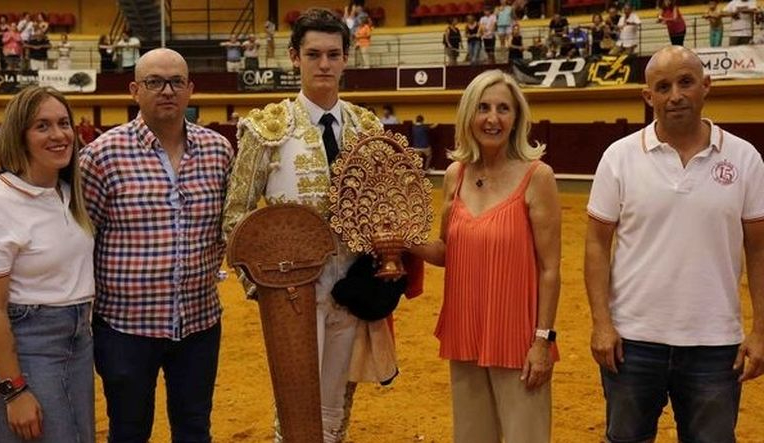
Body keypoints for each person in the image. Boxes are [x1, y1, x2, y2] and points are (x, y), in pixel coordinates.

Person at [585, 46, 764, 443]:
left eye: (685, 82)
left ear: (706, 86)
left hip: (715, 345)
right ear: (648, 97)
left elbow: (759, 249)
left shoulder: (746, 159)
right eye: (662, 87)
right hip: (631, 342)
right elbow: (597, 244)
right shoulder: (618, 157)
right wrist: (601, 323)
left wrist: (761, 331)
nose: (675, 95)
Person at [221, 8, 384, 442]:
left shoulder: (367, 128)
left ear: (347, 58)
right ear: (294, 57)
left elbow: (387, 210)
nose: (324, 64)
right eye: (314, 54)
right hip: (289, 288)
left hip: (351, 283)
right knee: (294, 408)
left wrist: (384, 266)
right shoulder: (267, 127)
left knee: (336, 404)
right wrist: (259, 286)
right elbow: (236, 213)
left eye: (333, 54)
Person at [79, 48, 234, 442]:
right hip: (125, 328)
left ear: (190, 89)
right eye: (154, 82)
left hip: (199, 322)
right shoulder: (101, 155)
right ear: (134, 90)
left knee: (195, 428)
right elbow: (82, 239)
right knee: (129, 430)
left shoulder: (219, 151)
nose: (167, 90)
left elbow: (231, 226)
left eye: (176, 82)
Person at [411, 69, 561, 443]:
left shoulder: (537, 176)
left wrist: (542, 341)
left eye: (503, 109)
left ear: (516, 119)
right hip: (465, 333)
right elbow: (448, 250)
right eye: (483, 108)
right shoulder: (455, 175)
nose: (492, 118)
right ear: (468, 116)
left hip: (518, 340)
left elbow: (550, 269)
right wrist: (401, 239)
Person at [0, 86, 95, 442]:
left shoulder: (69, 194)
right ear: (19, 136)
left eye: (63, 123)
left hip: (77, 341)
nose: (59, 135)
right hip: (23, 346)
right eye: (42, 126)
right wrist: (14, 390)